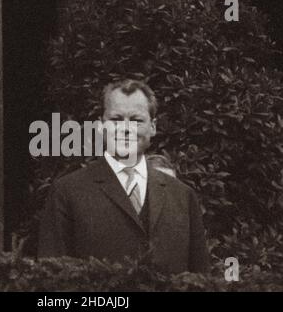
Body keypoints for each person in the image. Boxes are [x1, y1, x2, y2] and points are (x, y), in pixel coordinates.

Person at [38, 79, 209, 274]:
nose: (125, 128)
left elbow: (202, 279)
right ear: (101, 126)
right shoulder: (67, 192)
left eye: (136, 120)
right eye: (116, 119)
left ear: (153, 127)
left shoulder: (183, 196)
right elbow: (50, 282)